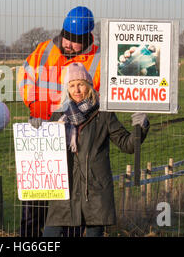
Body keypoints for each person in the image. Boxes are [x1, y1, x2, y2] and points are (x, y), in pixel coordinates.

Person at [16, 6, 101, 237]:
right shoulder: (44, 49)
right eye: (67, 37)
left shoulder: (98, 59)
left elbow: (97, 98)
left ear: (86, 39)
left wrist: (68, 115)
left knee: (69, 201)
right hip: (42, 131)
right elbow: (26, 77)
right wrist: (34, 104)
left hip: (75, 139)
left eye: (75, 41)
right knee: (35, 200)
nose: (68, 44)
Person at [42, 62, 149, 237]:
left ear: (89, 86)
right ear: (66, 89)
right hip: (64, 191)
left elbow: (126, 144)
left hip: (95, 191)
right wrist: (40, 130)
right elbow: (44, 152)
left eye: (80, 84)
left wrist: (140, 127)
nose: (76, 90)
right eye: (72, 85)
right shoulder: (58, 116)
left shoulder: (103, 114)